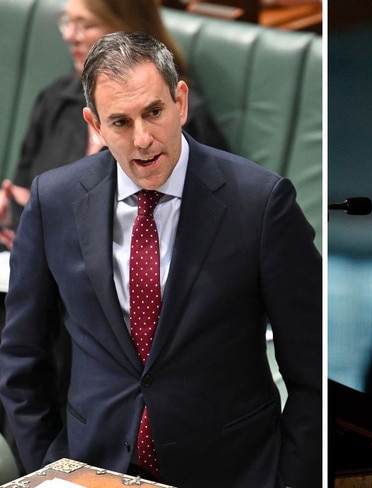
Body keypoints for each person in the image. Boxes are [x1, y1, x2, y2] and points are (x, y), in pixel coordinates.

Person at [0, 31, 321, 488]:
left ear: (181, 102)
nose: (144, 139)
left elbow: (312, 369)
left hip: (232, 472)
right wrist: (50, 469)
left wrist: (290, 480)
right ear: (95, 125)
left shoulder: (262, 204)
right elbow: (21, 358)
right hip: (91, 470)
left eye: (154, 112)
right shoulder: (53, 200)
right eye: (120, 122)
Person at [0, 0, 228, 249]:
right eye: (67, 21)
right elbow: (23, 195)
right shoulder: (55, 99)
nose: (69, 35)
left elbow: (219, 215)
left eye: (85, 24)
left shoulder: (186, 116)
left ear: (126, 29)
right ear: (94, 122)